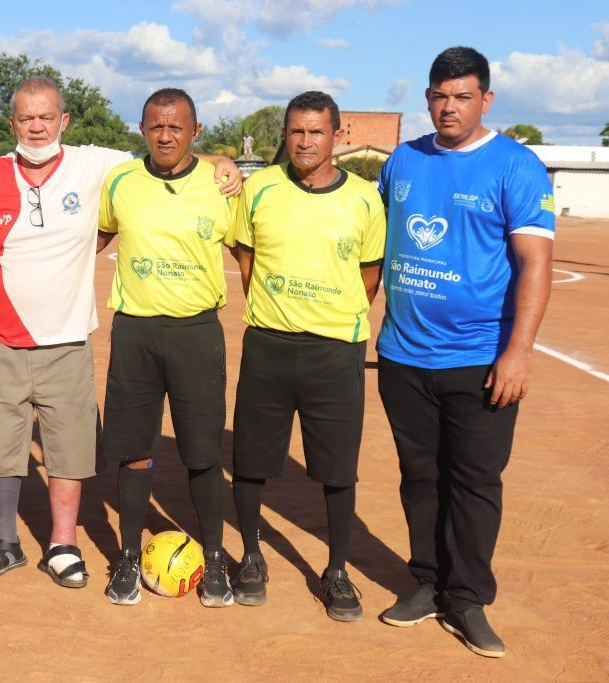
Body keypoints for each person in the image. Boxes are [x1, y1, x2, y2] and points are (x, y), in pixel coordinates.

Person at [0, 77, 241, 588]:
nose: (37, 126)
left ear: (63, 121)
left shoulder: (99, 165)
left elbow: (172, 154)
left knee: (69, 446)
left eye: (47, 116)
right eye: (26, 118)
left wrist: (222, 159)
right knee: (4, 444)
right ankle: (5, 543)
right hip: (2, 333)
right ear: (13, 124)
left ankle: (63, 546)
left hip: (70, 336)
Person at [376, 46, 555, 657]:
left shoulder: (517, 166)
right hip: (403, 356)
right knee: (419, 477)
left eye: (462, 96)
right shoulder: (402, 160)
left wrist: (518, 352)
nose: (449, 107)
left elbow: (536, 263)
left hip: (481, 359)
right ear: (426, 98)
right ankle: (426, 583)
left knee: (475, 481)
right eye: (439, 96)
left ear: (486, 99)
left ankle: (469, 597)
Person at [225, 91, 386, 619]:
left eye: (315, 132)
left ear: (336, 136)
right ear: (285, 135)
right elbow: (246, 263)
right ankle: (251, 556)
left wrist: (328, 317)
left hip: (336, 352)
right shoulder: (260, 189)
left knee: (337, 469)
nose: (304, 141)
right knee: (250, 461)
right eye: (295, 131)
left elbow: (369, 276)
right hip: (269, 345)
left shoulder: (365, 198)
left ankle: (336, 570)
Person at [96, 88, 239, 607]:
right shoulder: (121, 182)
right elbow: (95, 237)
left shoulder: (223, 185)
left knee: (202, 453)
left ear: (195, 132)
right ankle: (129, 558)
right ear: (142, 128)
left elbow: (247, 255)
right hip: (135, 331)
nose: (165, 135)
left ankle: (217, 559)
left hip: (196, 333)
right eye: (155, 126)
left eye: (176, 127)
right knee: (134, 453)